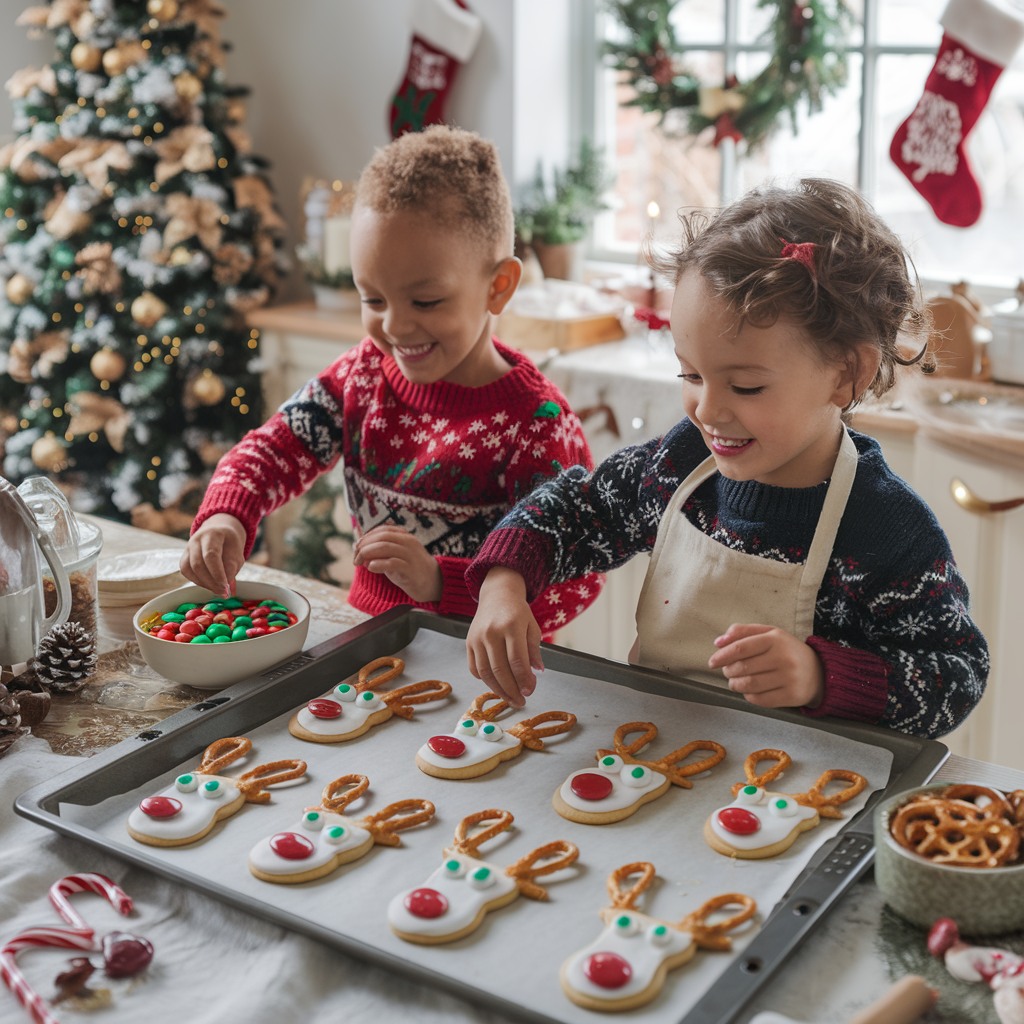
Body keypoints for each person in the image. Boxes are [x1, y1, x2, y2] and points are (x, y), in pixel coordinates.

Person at [465, 178, 988, 738]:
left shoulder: (885, 529)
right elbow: (577, 508)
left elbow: (955, 675)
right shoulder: (680, 465)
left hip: (800, 799)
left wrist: (820, 676)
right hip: (651, 760)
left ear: (846, 374)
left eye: (745, 387)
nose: (707, 410)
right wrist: (504, 582)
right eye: (690, 374)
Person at [181, 126, 602, 627]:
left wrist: (442, 582)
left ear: (499, 286)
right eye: (372, 299)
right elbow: (273, 449)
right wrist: (230, 512)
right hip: (369, 641)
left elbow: (574, 583)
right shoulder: (361, 375)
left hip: (485, 678)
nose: (395, 326)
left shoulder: (537, 425)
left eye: (425, 301)